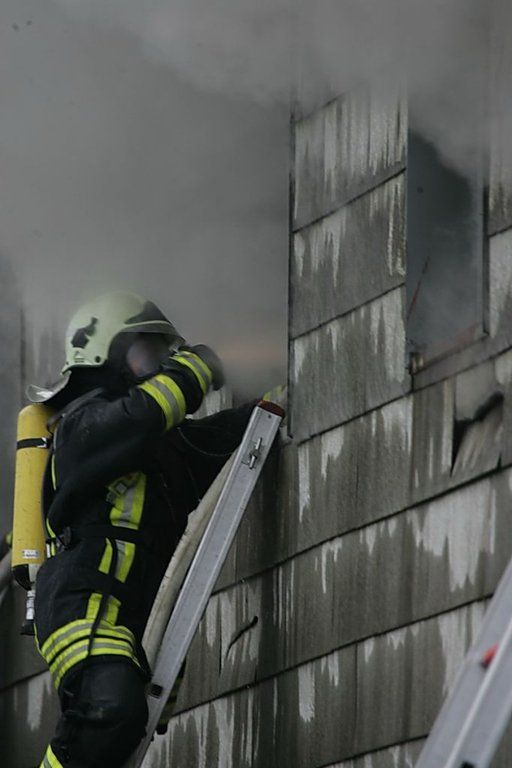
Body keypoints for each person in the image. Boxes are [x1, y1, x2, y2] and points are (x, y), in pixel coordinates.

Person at [32, 291, 267, 768]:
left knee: (114, 730)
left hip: (131, 616)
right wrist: (195, 366)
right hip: (84, 604)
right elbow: (139, 417)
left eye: (164, 356)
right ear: (105, 355)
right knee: (110, 711)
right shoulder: (81, 428)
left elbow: (232, 435)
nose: (160, 366)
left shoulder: (163, 450)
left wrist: (281, 398)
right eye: (148, 354)